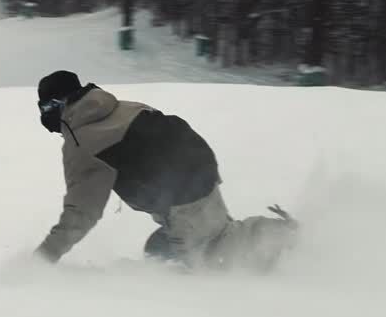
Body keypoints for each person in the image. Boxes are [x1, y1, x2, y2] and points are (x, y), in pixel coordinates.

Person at [35, 70, 297, 269]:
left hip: (182, 193)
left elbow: (82, 212)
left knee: (210, 260)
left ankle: (286, 240)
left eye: (45, 108)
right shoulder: (120, 106)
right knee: (159, 253)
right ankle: (239, 236)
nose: (44, 116)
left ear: (59, 104)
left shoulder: (81, 141)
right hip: (197, 170)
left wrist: (44, 258)